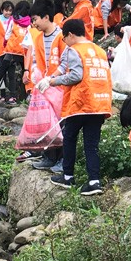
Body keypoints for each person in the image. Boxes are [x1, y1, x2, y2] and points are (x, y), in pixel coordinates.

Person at [36, 19, 112, 195]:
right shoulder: (99, 50)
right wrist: (50, 78)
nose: (64, 42)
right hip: (99, 104)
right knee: (91, 144)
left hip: (80, 103)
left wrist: (53, 82)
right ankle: (94, 182)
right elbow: (64, 66)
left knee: (69, 137)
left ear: (70, 35)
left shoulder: (74, 50)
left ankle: (68, 176)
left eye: (64, 39)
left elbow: (76, 76)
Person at [17, 0, 65, 167]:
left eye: (35, 19)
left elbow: (65, 63)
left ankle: (61, 160)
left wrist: (53, 79)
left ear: (46, 17)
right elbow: (37, 60)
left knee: (61, 124)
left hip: (59, 86)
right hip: (44, 86)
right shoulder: (37, 39)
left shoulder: (61, 36)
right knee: (46, 123)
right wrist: (35, 74)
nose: (33, 23)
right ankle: (49, 157)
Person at [0, 0, 32, 105]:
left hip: (12, 50)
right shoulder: (30, 22)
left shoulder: (13, 20)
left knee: (2, 71)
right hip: (24, 51)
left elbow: (7, 35)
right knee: (27, 72)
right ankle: (29, 95)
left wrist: (5, 44)